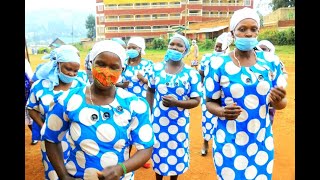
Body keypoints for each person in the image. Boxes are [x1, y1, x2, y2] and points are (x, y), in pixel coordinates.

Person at [42, 40, 154, 179]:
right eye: (101, 64)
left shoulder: (135, 105)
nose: (106, 72)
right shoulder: (66, 100)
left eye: (114, 67)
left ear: (122, 70)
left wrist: (121, 169)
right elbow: (51, 138)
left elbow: (146, 148)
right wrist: (63, 176)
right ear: (91, 63)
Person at [204, 7, 287, 180]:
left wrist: (278, 101)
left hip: (261, 140)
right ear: (232, 33)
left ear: (258, 32)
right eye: (242, 29)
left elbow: (281, 103)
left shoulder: (270, 62)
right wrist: (221, 112)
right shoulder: (218, 64)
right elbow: (209, 102)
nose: (248, 34)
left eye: (253, 29)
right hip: (229, 141)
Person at [146, 33, 202, 180]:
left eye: (179, 45)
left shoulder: (191, 73)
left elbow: (196, 100)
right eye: (172, 44)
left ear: (185, 50)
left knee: (176, 153)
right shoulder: (156, 68)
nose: (175, 47)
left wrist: (176, 103)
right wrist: (149, 112)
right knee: (159, 152)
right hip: (158, 122)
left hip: (179, 124)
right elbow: (150, 90)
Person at [26, 45, 86, 180]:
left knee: (76, 172)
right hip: (50, 139)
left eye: (75, 71)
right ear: (57, 65)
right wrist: (43, 126)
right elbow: (31, 108)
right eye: (68, 69)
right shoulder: (40, 86)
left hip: (75, 139)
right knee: (53, 172)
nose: (71, 73)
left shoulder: (81, 85)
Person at [115, 36, 153, 169]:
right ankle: (126, 158)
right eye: (129, 47)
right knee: (126, 129)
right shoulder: (123, 63)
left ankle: (140, 158)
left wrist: (143, 79)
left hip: (142, 103)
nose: (130, 50)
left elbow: (153, 84)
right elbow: (115, 81)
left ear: (140, 49)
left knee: (141, 130)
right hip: (124, 103)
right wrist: (121, 85)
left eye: (133, 47)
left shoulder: (148, 64)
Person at [198, 32, 233, 156]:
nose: (217, 49)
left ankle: (223, 145)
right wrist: (202, 86)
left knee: (223, 119)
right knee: (207, 118)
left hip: (225, 96)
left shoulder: (230, 59)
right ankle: (205, 142)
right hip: (208, 95)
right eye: (216, 46)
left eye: (220, 47)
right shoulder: (207, 57)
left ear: (226, 47)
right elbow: (201, 73)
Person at [256, 39, 288, 125]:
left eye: (264, 49)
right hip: (258, 98)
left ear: (271, 50)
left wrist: (279, 83)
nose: (262, 51)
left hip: (271, 97)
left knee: (268, 118)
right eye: (260, 48)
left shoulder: (276, 62)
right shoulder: (254, 62)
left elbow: (284, 74)